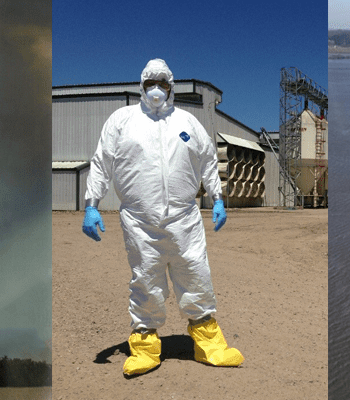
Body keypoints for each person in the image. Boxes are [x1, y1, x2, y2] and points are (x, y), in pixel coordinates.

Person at [82, 58, 244, 376]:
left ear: (172, 87)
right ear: (142, 86)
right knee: (145, 281)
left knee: (196, 278)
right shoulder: (122, 120)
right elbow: (101, 161)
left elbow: (209, 160)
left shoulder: (188, 122)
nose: (156, 89)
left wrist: (218, 198)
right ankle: (144, 349)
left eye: (163, 83)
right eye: (150, 83)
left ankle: (210, 345)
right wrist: (92, 203)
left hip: (185, 219)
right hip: (140, 222)